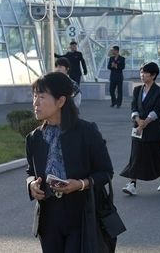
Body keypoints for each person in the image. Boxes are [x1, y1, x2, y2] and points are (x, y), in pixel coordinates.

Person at [26, 72, 114, 252]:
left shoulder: (86, 131)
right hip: (49, 217)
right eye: (34, 96)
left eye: (41, 97)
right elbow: (30, 173)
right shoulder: (34, 138)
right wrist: (31, 185)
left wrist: (81, 184)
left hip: (81, 215)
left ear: (61, 101)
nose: (35, 103)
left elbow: (106, 171)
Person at [121, 62, 160, 195]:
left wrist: (144, 123)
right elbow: (134, 108)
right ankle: (132, 184)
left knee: (156, 155)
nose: (142, 75)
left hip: (152, 128)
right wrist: (138, 121)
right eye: (141, 72)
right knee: (136, 155)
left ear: (153, 75)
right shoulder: (137, 90)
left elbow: (157, 110)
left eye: (145, 73)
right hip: (137, 128)